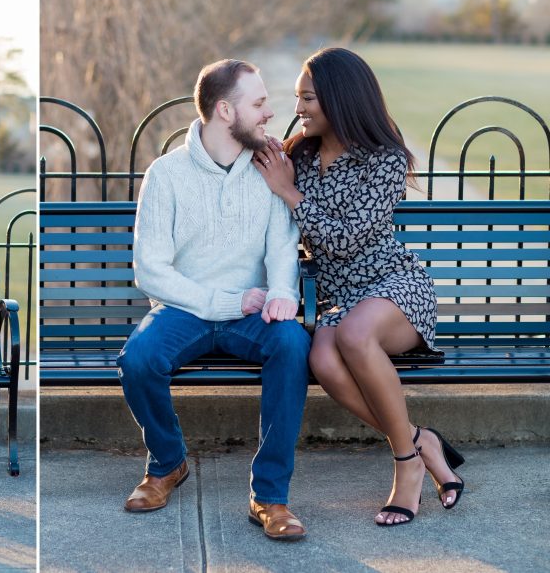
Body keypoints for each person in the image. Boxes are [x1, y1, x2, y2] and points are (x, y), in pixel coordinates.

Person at [254, 47, 464, 527]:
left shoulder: (384, 161)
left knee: (351, 336)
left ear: (339, 98)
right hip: (338, 298)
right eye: (296, 98)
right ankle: (420, 439)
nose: (298, 109)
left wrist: (288, 193)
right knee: (323, 359)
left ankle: (407, 468)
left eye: (307, 98)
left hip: (394, 287)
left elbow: (346, 241)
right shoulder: (298, 157)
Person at [117, 59, 310, 541]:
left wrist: (284, 294)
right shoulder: (166, 175)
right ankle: (167, 464)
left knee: (292, 346)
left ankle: (270, 496)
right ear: (225, 110)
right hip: (186, 310)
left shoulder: (269, 165)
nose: (270, 113)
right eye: (259, 103)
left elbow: (283, 246)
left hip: (255, 313)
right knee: (138, 359)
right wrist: (226, 301)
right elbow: (151, 270)